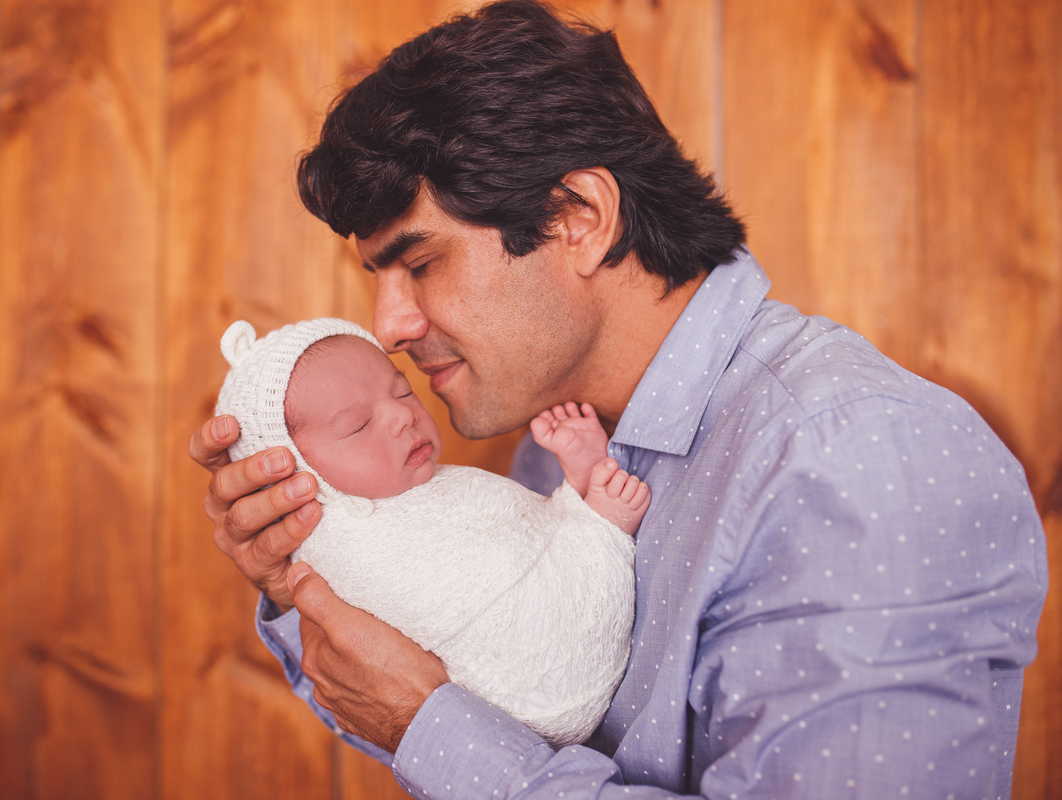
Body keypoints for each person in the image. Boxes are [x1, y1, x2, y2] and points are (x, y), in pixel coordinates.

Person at [187, 2, 1048, 798]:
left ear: (579, 216)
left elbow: (449, 731)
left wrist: (428, 726)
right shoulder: (556, 440)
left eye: (420, 264)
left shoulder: (860, 461)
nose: (390, 326)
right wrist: (308, 563)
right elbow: (508, 695)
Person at [213, 316, 646, 745]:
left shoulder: (425, 488)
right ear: (294, 475)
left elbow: (516, 536)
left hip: (524, 707)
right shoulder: (348, 548)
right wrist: (593, 524)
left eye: (403, 391)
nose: (403, 415)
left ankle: (584, 502)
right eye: (359, 426)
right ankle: (600, 521)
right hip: (532, 690)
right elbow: (458, 604)